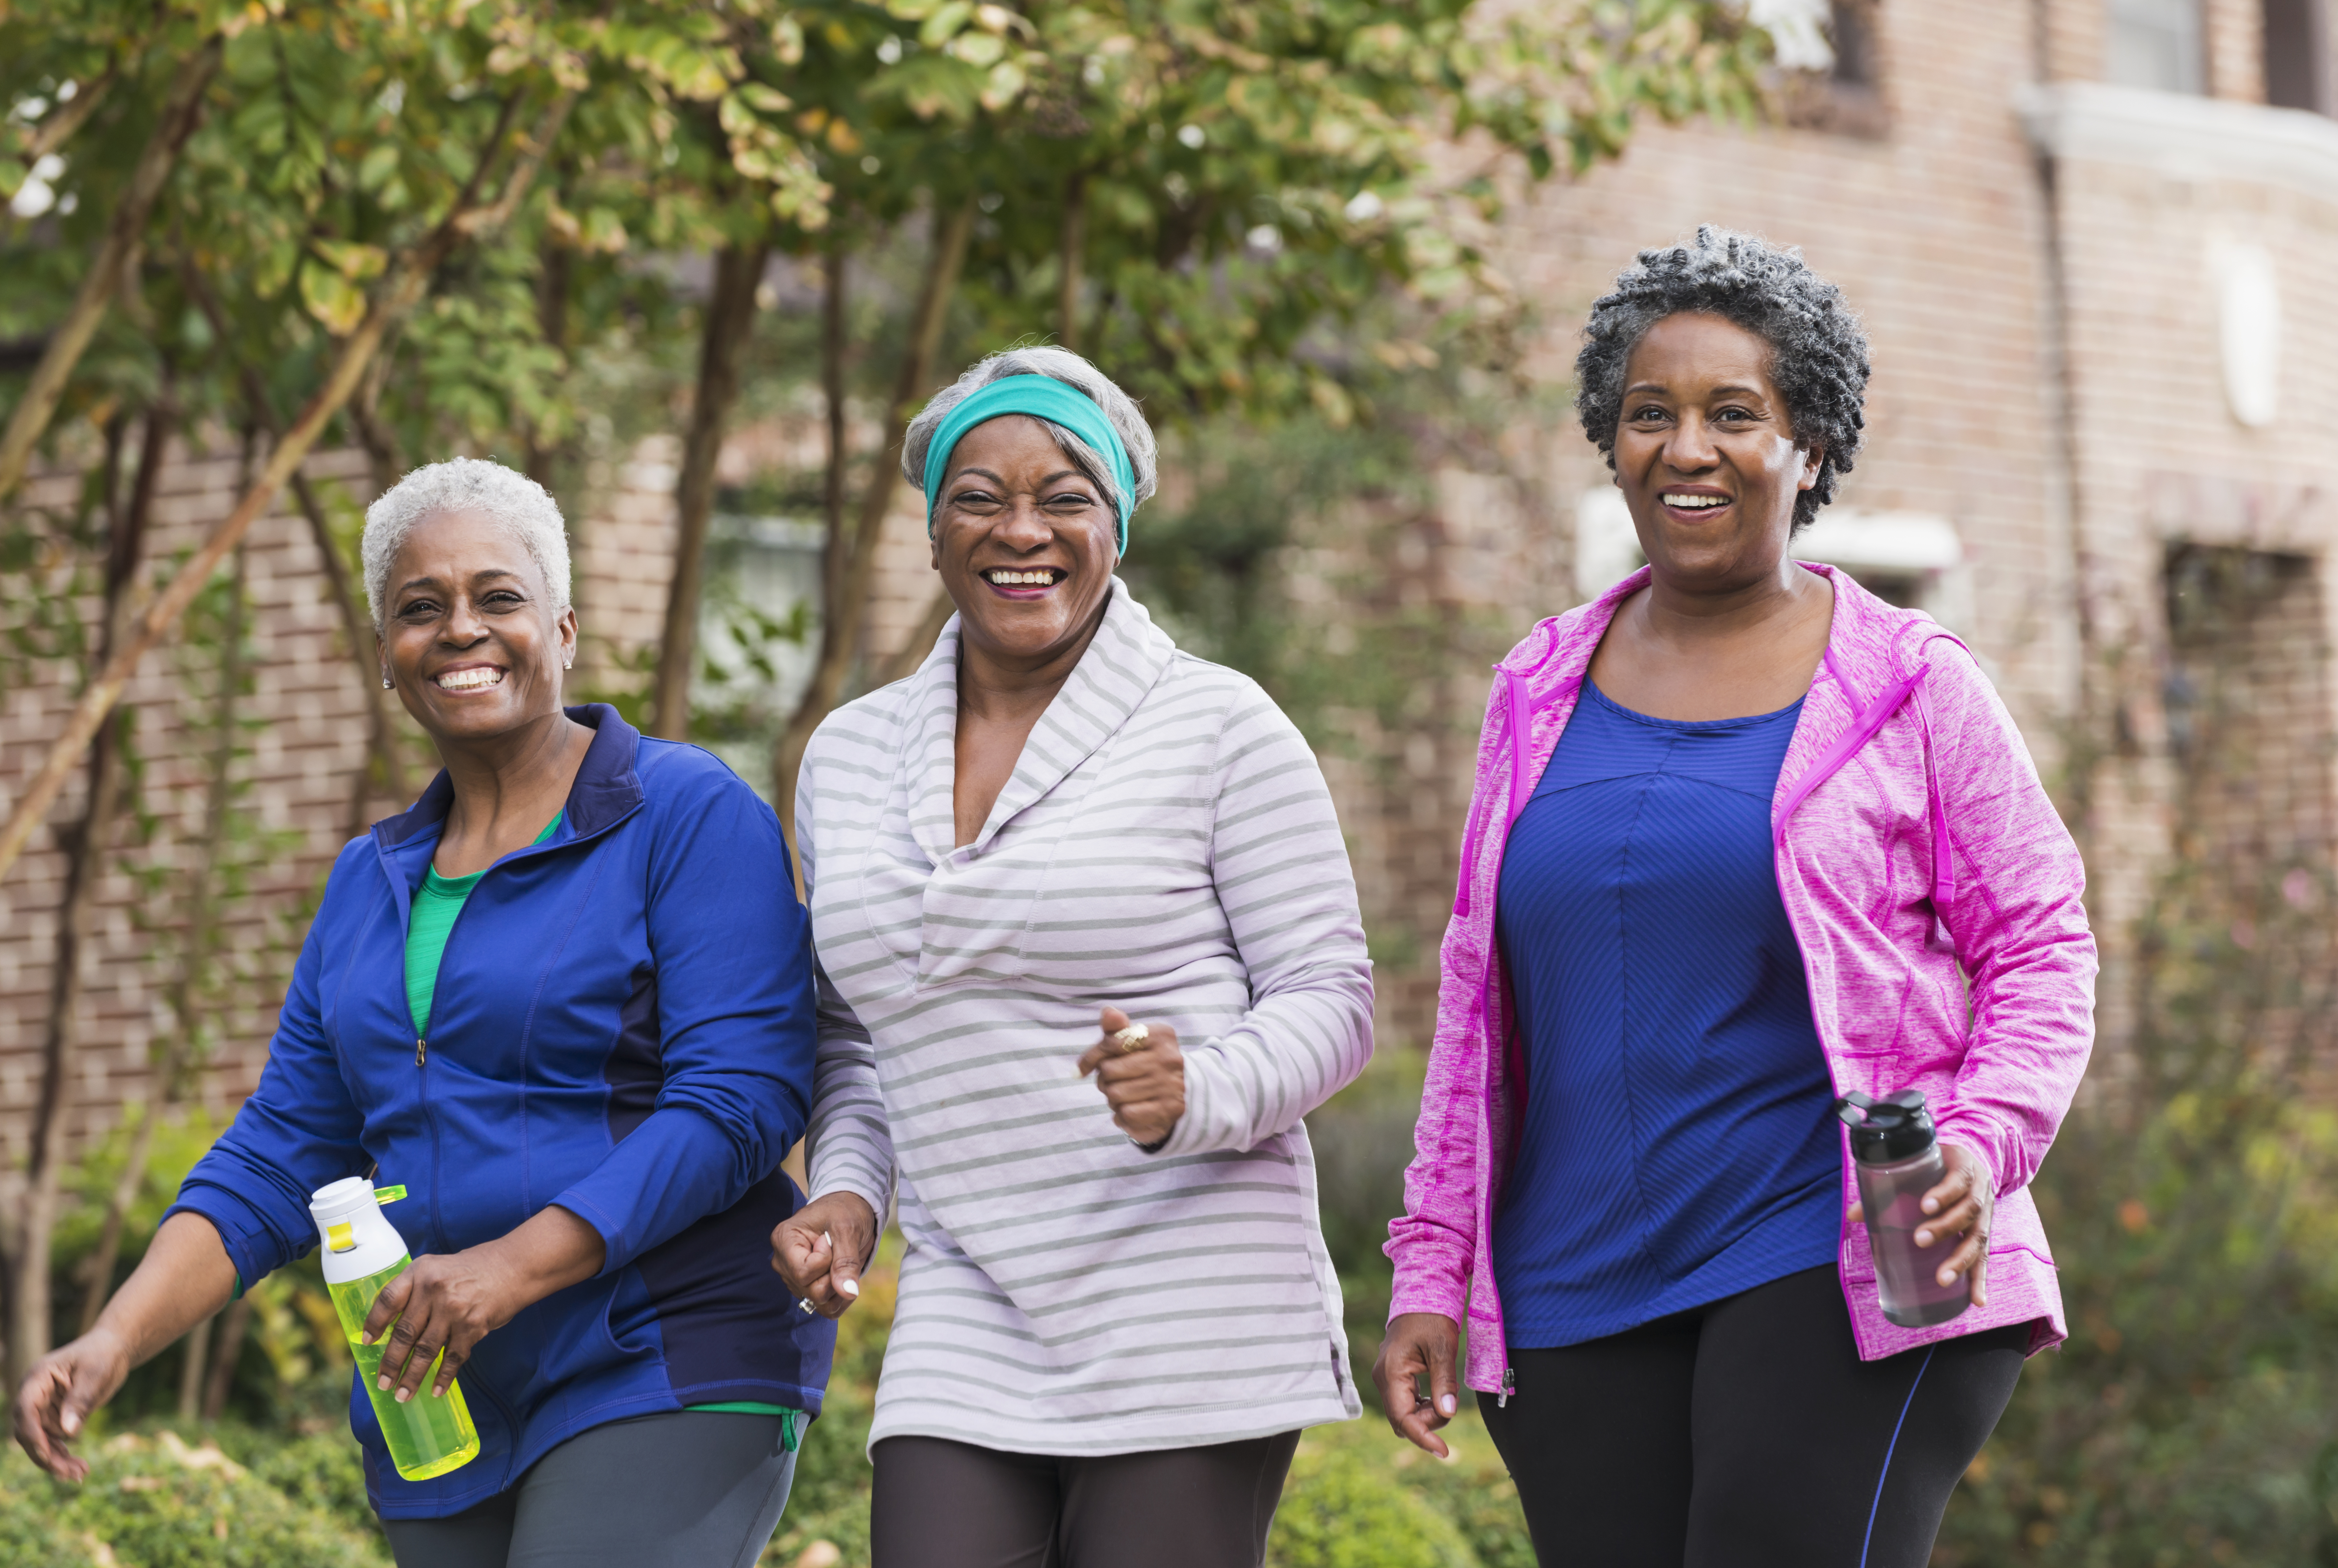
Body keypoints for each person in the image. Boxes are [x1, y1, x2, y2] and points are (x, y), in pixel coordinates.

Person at [1375, 229, 2097, 1566]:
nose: (1686, 448)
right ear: (1610, 440)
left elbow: (2043, 944)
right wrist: (1432, 1265)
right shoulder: (1534, 688)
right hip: (1572, 1277)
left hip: (1838, 1253)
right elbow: (1478, 1005)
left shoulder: (1908, 684)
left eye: (1733, 414)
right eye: (1649, 414)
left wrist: (1982, 1140)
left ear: (1809, 446)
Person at [11, 458, 834, 1568]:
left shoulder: (683, 814)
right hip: (436, 1401)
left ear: (565, 629)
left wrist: (511, 1267)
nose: (461, 630)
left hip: (663, 1357)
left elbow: (743, 1101)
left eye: (498, 599)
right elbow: (281, 1153)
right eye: (419, 608)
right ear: (387, 661)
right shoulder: (370, 880)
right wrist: (116, 1337)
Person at [770, 346, 1374, 1568]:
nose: (1022, 530)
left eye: (1066, 497)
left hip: (1187, 1297)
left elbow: (1333, 998)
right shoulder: (847, 755)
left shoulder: (1217, 726)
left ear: (1120, 525)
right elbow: (854, 1035)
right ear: (934, 530)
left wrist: (1201, 1089)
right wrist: (848, 1189)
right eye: (979, 497)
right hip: (970, 1295)